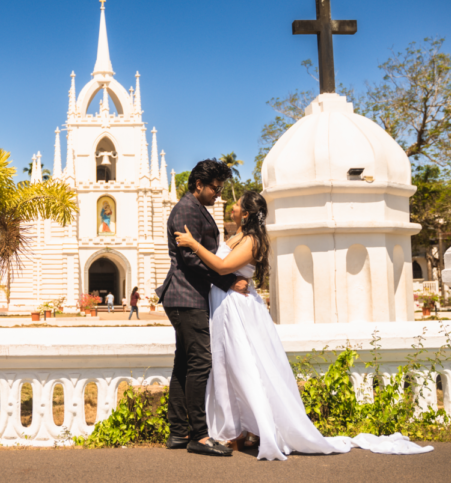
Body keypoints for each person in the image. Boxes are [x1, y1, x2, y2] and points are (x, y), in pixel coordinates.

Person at [175, 191, 433, 461]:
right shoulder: (236, 236)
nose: (233, 207)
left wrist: (193, 243)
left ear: (247, 213)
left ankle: (253, 427)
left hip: (237, 309)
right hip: (226, 303)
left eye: (238, 204)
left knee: (245, 366)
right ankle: (239, 428)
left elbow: (222, 265)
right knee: (226, 366)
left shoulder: (252, 240)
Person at [157, 159, 246, 457]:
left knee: (184, 364)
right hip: (186, 296)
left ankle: (177, 432)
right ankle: (199, 435)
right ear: (199, 185)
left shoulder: (196, 209)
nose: (218, 194)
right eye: (215, 188)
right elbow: (191, 260)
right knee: (200, 362)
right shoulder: (185, 210)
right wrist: (228, 279)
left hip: (187, 296)